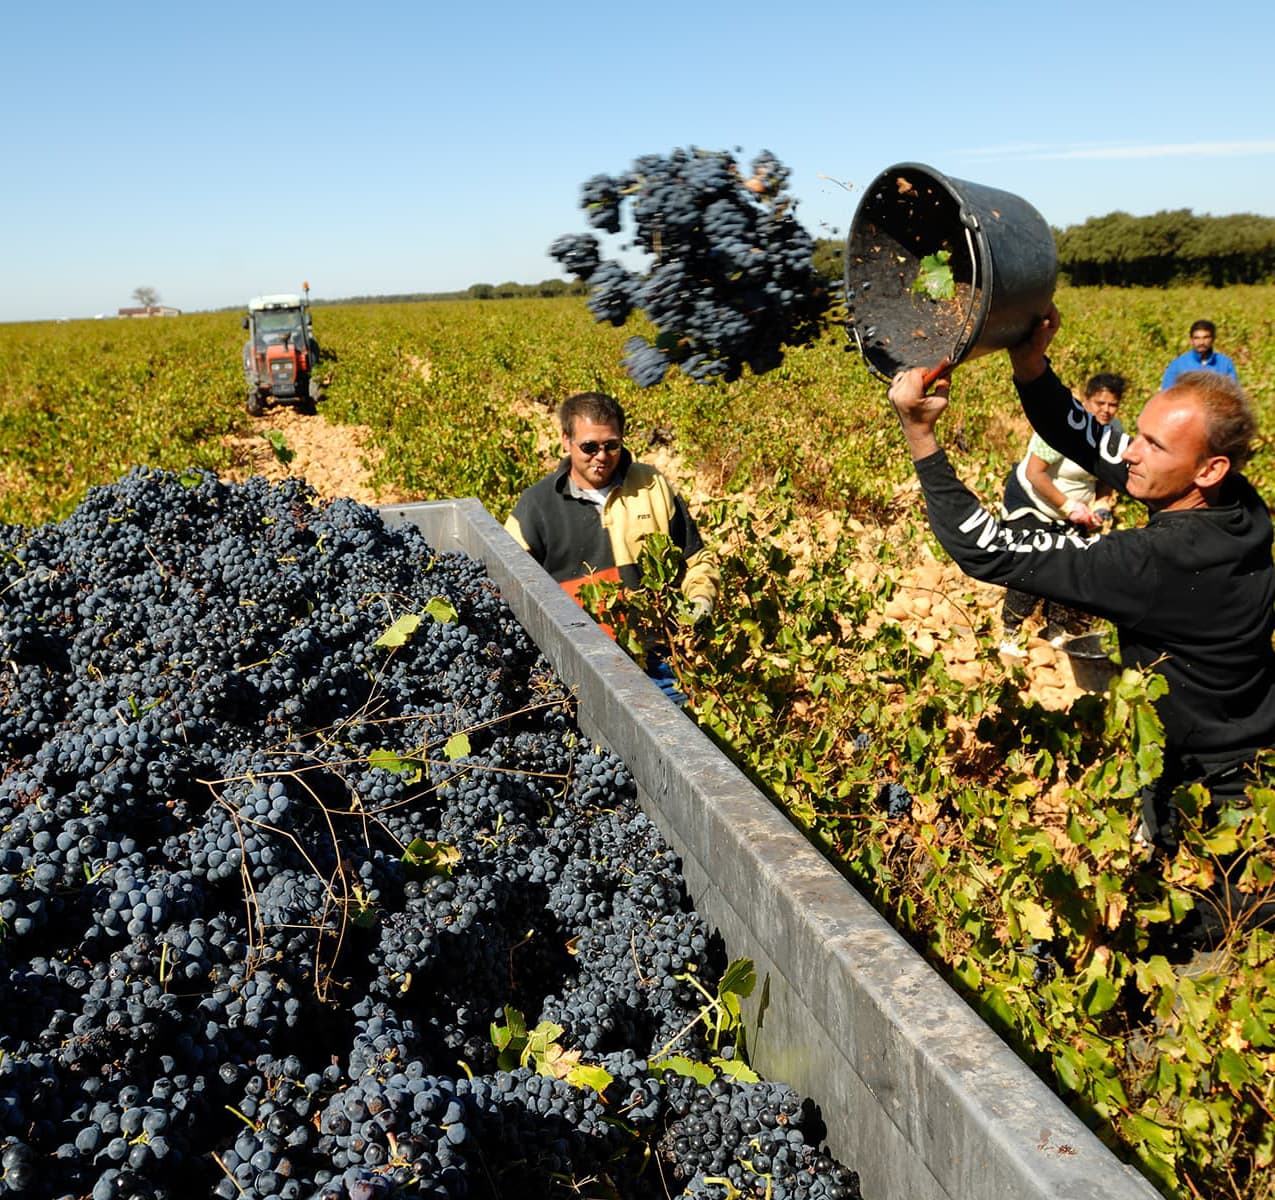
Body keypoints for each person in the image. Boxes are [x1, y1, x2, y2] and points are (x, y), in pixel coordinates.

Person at [888, 306, 1275, 946]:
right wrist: (1031, 364)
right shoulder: (1239, 504)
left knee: (1207, 945)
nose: (1130, 452)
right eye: (1138, 432)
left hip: (1213, 791)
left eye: (1153, 445)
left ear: (1207, 470)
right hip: (1247, 749)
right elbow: (1092, 443)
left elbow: (986, 549)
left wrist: (921, 437)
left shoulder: (1150, 562)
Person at [504, 391, 719, 702]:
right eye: (589, 446)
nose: (601, 456)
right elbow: (511, 586)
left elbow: (697, 559)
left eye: (611, 445)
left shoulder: (652, 486)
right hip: (576, 670)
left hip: (659, 662)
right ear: (566, 441)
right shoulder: (536, 506)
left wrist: (701, 601)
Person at [999, 373, 1125, 651]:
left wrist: (1101, 503)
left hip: (1073, 509)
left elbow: (1108, 475)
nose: (1105, 410)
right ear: (1085, 400)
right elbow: (1035, 473)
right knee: (1032, 564)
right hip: (1033, 501)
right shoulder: (1061, 424)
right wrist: (1068, 506)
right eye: (1099, 402)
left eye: (1112, 404)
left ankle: (1056, 630)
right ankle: (1010, 631)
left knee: (1069, 564)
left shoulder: (1113, 431)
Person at [1161, 319, 1239, 389]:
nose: (1201, 342)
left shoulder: (1225, 363)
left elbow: (1234, 392)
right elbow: (1166, 393)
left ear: (1213, 339)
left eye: (1206, 337)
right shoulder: (1178, 364)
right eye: (1197, 338)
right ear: (1191, 340)